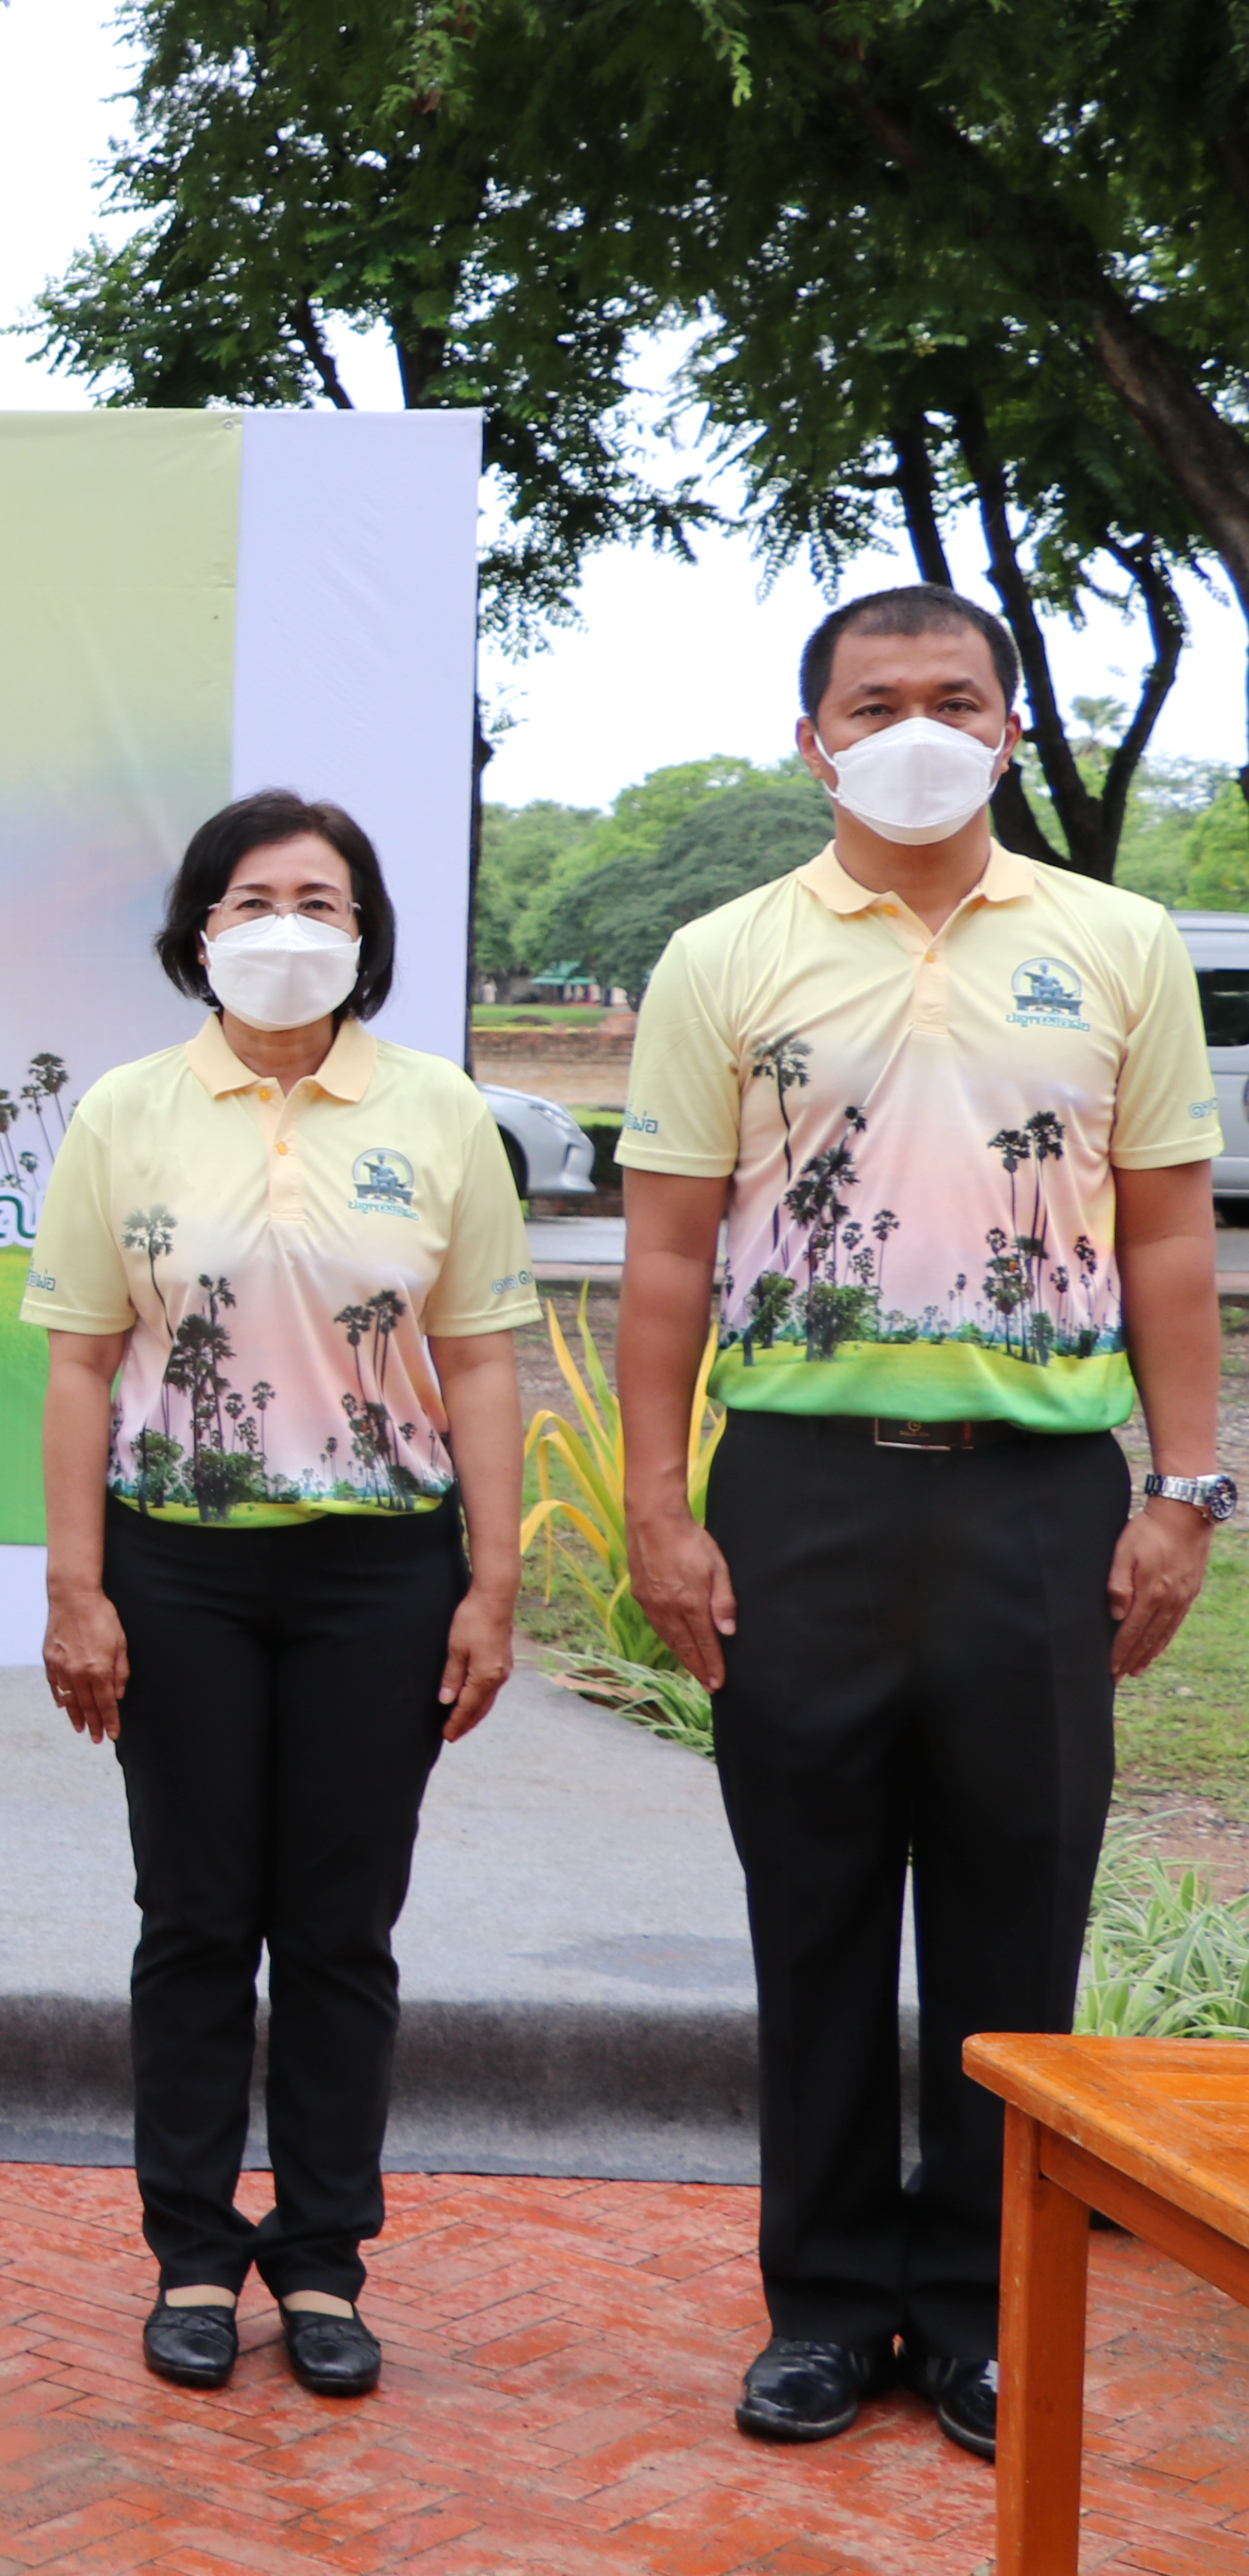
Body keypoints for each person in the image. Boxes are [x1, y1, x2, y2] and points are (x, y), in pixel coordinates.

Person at [620, 585, 1221, 2461]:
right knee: (807, 1918)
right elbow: (660, 1257)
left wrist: (1185, 1487)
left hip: (1042, 1500)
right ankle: (822, 2304)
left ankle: (976, 2309)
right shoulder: (725, 955)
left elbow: (1171, 1233)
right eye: (872, 699)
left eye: (953, 697)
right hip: (796, 1489)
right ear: (810, 735)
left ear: (1013, 729)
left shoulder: (1120, 947)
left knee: (1010, 1921)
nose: (914, 726)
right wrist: (658, 1498)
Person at [23, 791, 537, 2400]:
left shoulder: (441, 1111)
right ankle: (189, 2247)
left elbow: (480, 1362)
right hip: (175, 1560)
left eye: (322, 896)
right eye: (254, 895)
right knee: (192, 1919)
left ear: (368, 929)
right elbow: (78, 1366)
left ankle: (322, 2257)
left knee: (336, 1929)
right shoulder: (126, 1109)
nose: (288, 922)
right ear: (198, 927)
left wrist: (495, 1581)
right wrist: (77, 1585)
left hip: (382, 1567)